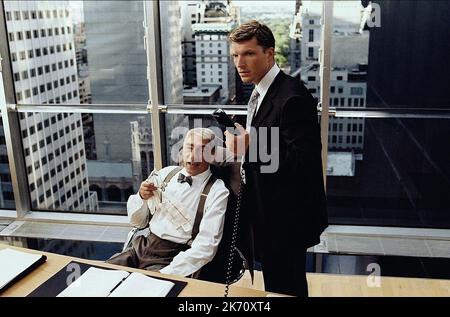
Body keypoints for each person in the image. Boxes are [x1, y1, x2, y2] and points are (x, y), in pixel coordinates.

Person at [224, 20, 328, 296]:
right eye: (235, 55)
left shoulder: (292, 97)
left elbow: (302, 163)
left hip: (286, 218)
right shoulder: (262, 92)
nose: (240, 62)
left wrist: (251, 145)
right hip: (269, 210)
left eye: (249, 53)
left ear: (269, 54)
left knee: (285, 286)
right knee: (278, 284)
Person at [107, 128, 230, 277]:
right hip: (141, 247)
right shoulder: (167, 173)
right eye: (189, 148)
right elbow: (137, 222)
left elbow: (206, 247)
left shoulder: (218, 191)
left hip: (171, 258)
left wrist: (167, 273)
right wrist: (141, 197)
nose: (192, 157)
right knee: (100, 277)